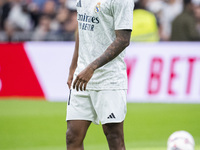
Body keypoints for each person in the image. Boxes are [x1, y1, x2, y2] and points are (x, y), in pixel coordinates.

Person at [66, 0, 134, 149]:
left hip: (109, 79)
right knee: (72, 136)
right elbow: (82, 28)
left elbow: (123, 40)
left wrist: (92, 68)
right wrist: (73, 66)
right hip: (82, 76)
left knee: (114, 137)